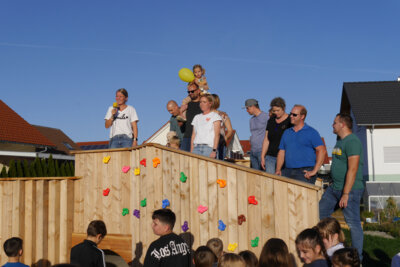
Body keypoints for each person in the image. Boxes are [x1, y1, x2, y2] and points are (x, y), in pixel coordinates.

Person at [319, 113, 364, 261]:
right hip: (334, 188)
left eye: (334, 123)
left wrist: (346, 193)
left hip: (349, 190)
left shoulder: (352, 141)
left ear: (342, 124)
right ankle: (333, 248)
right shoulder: (340, 141)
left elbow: (353, 168)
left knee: (353, 224)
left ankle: (357, 259)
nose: (332, 125)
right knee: (320, 214)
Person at [275, 104, 326, 184]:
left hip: (304, 173)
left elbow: (322, 151)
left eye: (294, 115)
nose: (291, 116)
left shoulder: (312, 132)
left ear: (302, 117)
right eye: (290, 114)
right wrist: (278, 169)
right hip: (287, 171)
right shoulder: (286, 133)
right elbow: (281, 152)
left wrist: (315, 171)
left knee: (303, 197)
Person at [260, 97, 292, 174]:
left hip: (285, 158)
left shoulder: (290, 120)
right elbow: (266, 139)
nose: (276, 113)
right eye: (274, 111)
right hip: (270, 156)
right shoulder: (271, 120)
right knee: (270, 181)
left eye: (278, 110)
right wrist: (262, 156)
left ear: (283, 108)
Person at [244, 99, 268, 170]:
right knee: (255, 175)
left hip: (262, 151)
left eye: (247, 108)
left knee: (264, 174)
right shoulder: (251, 120)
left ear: (253, 106)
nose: (247, 111)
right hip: (253, 151)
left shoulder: (266, 117)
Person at [181, 83, 202, 152]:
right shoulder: (187, 105)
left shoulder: (203, 104)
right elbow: (180, 120)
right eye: (188, 92)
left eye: (192, 91)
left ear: (198, 91)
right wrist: (180, 111)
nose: (190, 93)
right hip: (187, 137)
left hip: (199, 138)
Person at [212, 94, 234, 160]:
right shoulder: (204, 115)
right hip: (207, 144)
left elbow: (230, 130)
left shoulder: (223, 115)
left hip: (220, 144)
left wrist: (225, 139)